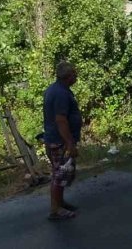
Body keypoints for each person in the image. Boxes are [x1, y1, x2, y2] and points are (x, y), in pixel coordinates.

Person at [43, 61, 82, 221]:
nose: (76, 75)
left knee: (63, 173)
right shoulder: (60, 93)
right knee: (60, 174)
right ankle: (55, 209)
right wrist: (69, 143)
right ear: (68, 76)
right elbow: (61, 120)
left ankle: (60, 202)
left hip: (56, 139)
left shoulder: (57, 90)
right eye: (74, 73)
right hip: (60, 141)